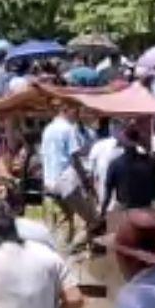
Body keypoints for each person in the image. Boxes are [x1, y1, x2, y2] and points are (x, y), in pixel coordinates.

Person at [41, 102, 97, 243]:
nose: (77, 115)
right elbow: (75, 158)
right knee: (89, 219)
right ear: (66, 110)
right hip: (66, 182)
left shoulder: (48, 129)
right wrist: (85, 180)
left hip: (49, 183)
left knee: (56, 224)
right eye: (75, 111)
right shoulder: (68, 129)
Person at [103, 123, 155, 213]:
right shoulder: (152, 162)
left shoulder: (115, 164)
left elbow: (108, 194)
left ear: (122, 143)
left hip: (124, 210)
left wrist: (102, 211)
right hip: (146, 209)